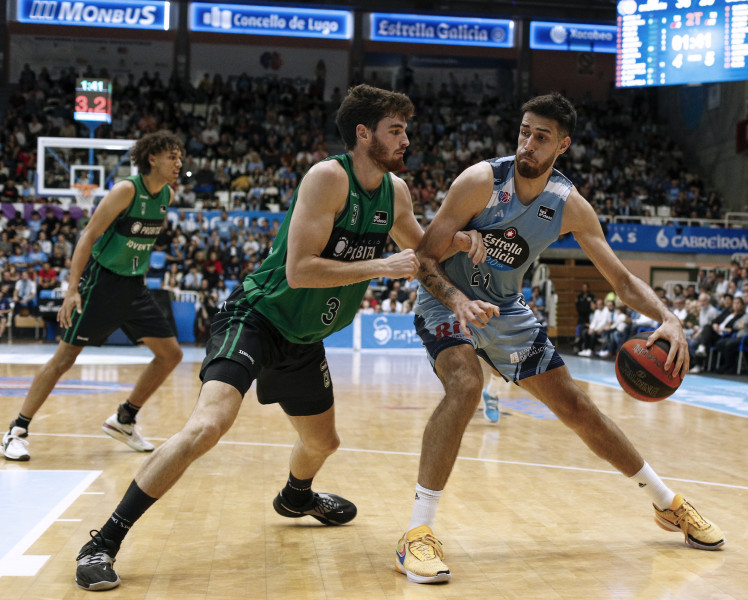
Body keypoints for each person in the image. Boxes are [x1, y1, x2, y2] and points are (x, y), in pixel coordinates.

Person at [73, 84, 486, 592]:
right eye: (395, 130)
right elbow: (299, 271)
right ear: (363, 134)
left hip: (303, 337)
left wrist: (461, 265)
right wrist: (380, 265)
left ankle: (296, 497)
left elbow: (422, 256)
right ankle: (103, 541)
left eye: (405, 129)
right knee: (208, 426)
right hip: (256, 316)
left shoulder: (395, 193)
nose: (406, 139)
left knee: (323, 442)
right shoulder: (327, 178)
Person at [395, 93, 723, 585]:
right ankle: (417, 532)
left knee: (578, 408)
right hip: (447, 302)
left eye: (541, 136)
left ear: (563, 145)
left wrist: (669, 317)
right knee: (465, 386)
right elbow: (423, 257)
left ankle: (667, 503)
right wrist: (459, 289)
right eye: (525, 132)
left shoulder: (569, 206)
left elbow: (622, 280)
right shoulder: (481, 181)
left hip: (506, 311)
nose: (528, 143)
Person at [2, 131, 185, 462]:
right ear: (152, 158)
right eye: (172, 156)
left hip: (134, 287)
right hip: (102, 283)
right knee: (64, 358)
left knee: (170, 354)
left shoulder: (167, 196)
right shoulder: (126, 190)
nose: (179, 163)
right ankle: (16, 430)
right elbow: (88, 236)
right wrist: (72, 289)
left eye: (180, 157)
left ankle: (124, 419)